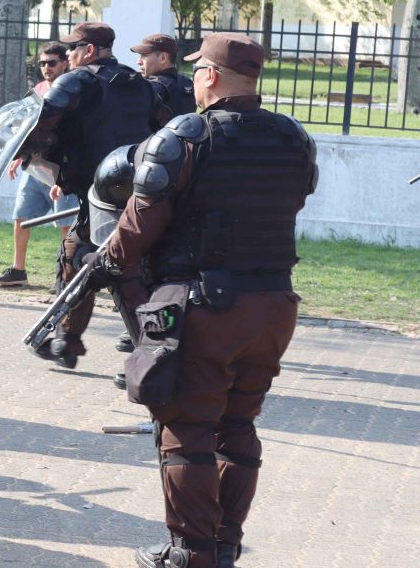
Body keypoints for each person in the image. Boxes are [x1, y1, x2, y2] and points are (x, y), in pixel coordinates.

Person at [87, 33, 316, 568]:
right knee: (237, 426)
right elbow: (294, 201)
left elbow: (139, 226)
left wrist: (107, 260)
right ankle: (225, 544)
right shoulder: (292, 137)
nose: (193, 81)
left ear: (209, 75)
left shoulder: (186, 136)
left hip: (205, 305)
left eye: (197, 72)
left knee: (187, 428)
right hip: (275, 304)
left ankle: (191, 552)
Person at [13, 21, 167, 369]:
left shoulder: (75, 80)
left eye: (73, 48)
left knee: (111, 264)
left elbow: (43, 120)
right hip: (134, 188)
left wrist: (25, 152)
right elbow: (164, 127)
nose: (67, 55)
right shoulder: (139, 84)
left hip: (101, 191)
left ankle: (152, 354)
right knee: (85, 254)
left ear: (90, 50)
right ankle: (67, 342)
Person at [0, 43, 79, 287]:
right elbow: (28, 129)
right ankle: (18, 270)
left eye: (51, 63)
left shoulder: (73, 90)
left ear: (64, 63)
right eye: (41, 63)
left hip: (61, 169)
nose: (46, 68)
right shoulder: (38, 90)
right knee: (21, 215)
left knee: (65, 224)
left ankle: (67, 275)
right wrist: (20, 156)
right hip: (35, 166)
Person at [134, 33, 198, 117]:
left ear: (163, 58)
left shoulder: (151, 87)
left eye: (144, 55)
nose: (138, 61)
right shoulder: (187, 83)